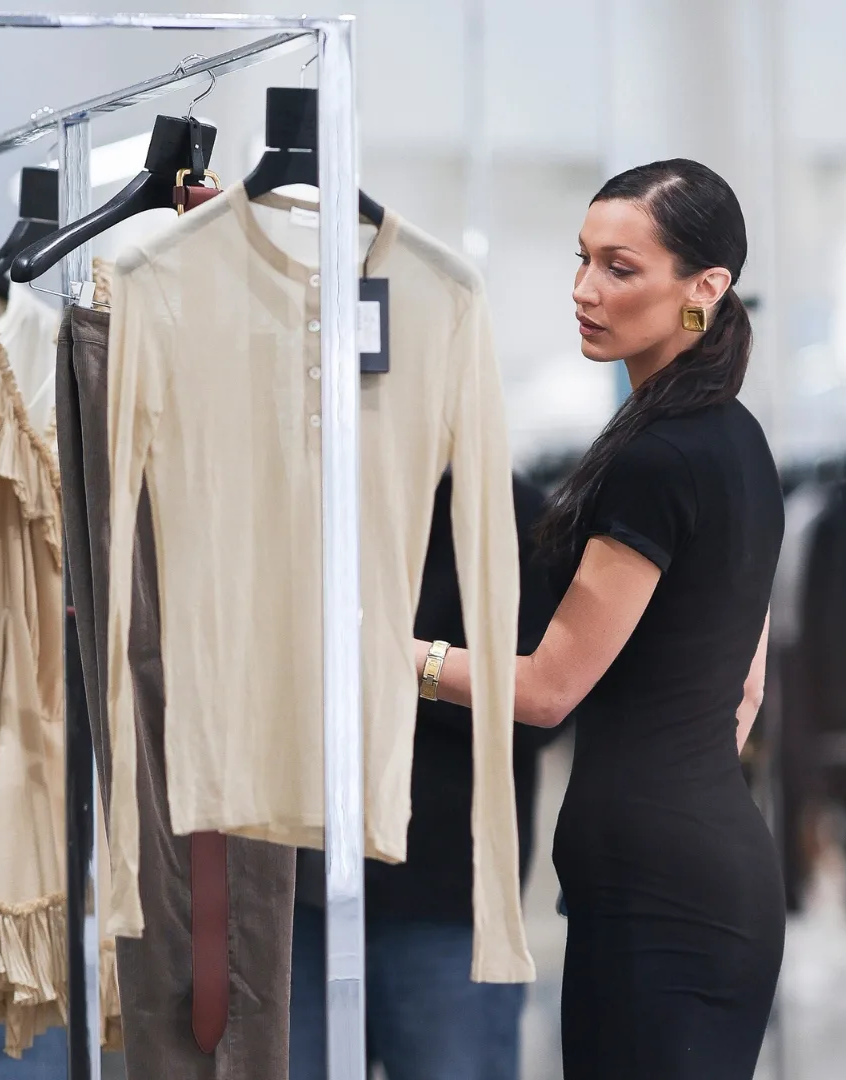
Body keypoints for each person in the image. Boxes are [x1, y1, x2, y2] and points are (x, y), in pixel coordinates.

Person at [413, 158, 784, 1080]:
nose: (584, 290)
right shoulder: (730, 437)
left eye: (620, 268)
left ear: (706, 287)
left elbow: (544, 692)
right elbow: (743, 687)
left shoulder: (661, 457)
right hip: (682, 878)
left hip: (664, 900)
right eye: (582, 260)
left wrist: (378, 653)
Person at [292, 474, 567, 1080]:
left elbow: (543, 708)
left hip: (445, 904)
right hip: (295, 895)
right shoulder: (298, 493)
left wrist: (393, 668)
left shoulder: (506, 511)